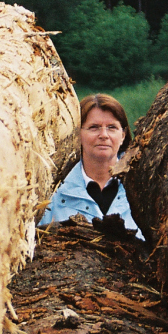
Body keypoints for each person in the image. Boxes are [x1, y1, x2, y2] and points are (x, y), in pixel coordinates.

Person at [39, 94, 144, 240]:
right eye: (94, 127)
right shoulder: (52, 192)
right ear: (78, 134)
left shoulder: (143, 188)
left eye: (112, 127)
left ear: (123, 135)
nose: (103, 135)